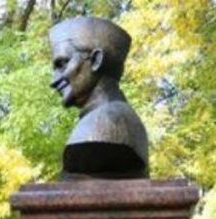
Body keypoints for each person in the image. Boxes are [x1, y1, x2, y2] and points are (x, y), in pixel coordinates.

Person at [48, 16, 150, 179]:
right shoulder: (112, 119)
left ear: (96, 60)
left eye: (62, 64)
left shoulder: (106, 123)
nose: (53, 81)